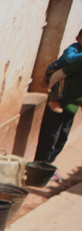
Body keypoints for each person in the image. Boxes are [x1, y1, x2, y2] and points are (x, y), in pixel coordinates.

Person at [35, 30, 82, 167]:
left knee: (62, 136)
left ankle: (48, 164)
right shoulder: (74, 51)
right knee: (51, 135)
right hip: (58, 83)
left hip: (72, 104)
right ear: (77, 38)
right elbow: (65, 68)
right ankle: (40, 165)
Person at [44, 28, 82, 114]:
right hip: (55, 70)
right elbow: (70, 59)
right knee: (63, 80)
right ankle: (54, 101)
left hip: (66, 73)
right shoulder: (72, 48)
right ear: (77, 38)